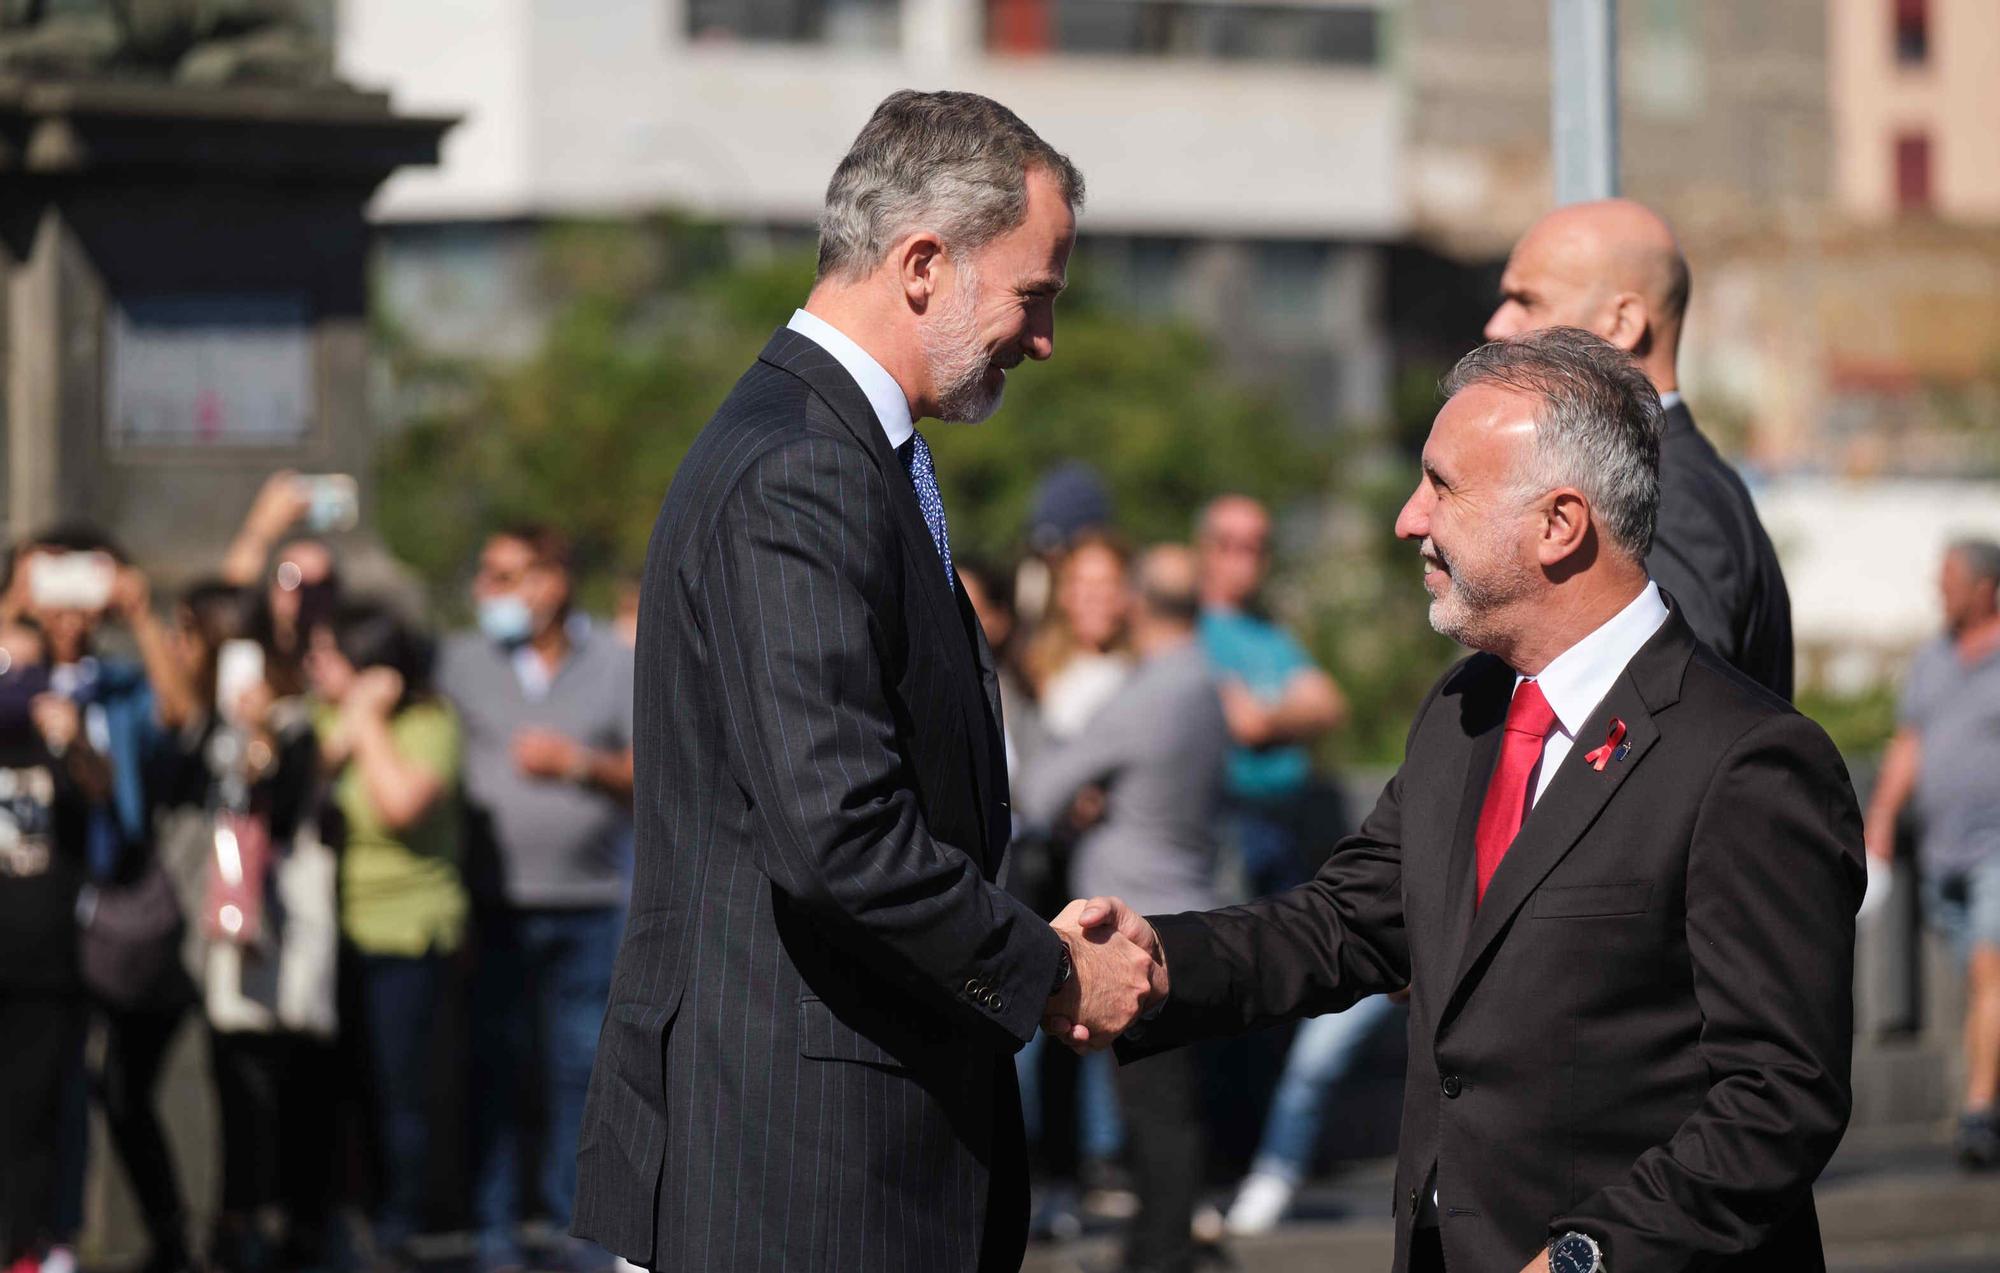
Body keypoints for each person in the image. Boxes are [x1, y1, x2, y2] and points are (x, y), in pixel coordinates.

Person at [1057, 328, 1864, 1273]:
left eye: (1441, 485)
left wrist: (1583, 1258)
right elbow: (1345, 923)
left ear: (1560, 524)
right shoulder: (1463, 707)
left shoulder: (1747, 759)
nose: (1408, 518)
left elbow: (1778, 1097)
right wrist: (1155, 961)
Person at [571, 89, 1160, 1273]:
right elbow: (836, 833)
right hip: (804, 1164)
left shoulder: (835, 450)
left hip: (822, 1145)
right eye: (1032, 296)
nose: (1043, 340)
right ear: (925, 263)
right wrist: (1045, 968)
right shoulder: (804, 467)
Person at [1484, 199, 1794, 700]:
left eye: (1529, 302)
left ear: (1623, 322)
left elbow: (1668, 714)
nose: (1498, 326)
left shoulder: (1669, 495)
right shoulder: (1666, 476)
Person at [1020, 545, 1229, 1273]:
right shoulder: (1204, 682)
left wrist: (1084, 795)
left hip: (1139, 922)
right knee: (1168, 1107)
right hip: (1190, 898)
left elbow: (1043, 790)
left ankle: (1159, 1257)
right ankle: (1154, 1248)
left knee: (1156, 1112)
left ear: (1139, 605)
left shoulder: (1151, 692)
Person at [437, 527, 635, 1273]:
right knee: (494, 1070)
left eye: (504, 574)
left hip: (589, 904)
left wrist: (578, 766)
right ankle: (495, 1233)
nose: (487, 589)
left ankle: (573, 1231)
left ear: (551, 583)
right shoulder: (460, 662)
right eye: (484, 574)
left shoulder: (616, 662)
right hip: (492, 908)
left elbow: (657, 771)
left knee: (581, 1075)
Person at [3, 529, 198, 1273]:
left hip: (112, 908)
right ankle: (38, 1234)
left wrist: (143, 613)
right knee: (31, 1088)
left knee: (117, 1089)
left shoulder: (113, 683)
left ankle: (155, 1233)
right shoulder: (12, 674)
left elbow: (177, 713)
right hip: (29, 915)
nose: (64, 603)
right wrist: (15, 605)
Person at [162, 581, 338, 1273]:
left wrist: (265, 736)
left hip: (285, 928)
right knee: (234, 1077)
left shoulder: (296, 725)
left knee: (295, 1082)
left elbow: (291, 804)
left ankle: (296, 1226)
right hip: (226, 931)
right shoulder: (210, 726)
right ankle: (237, 1224)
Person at [306, 601, 465, 1269]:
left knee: (398, 1093)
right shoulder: (318, 722)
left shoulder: (430, 726)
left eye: (329, 654)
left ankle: (401, 1229)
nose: (315, 666)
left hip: (406, 935)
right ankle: (342, 1222)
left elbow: (400, 805)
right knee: (337, 1092)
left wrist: (367, 721)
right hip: (327, 933)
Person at [1863, 538, 2000, 1169]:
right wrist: (1883, 817)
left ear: (1985, 588)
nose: (1937, 591)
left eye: (1948, 581)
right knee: (1980, 982)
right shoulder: (1932, 660)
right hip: (1943, 854)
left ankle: (1977, 1111)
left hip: (1994, 848)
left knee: (1987, 973)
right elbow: (1910, 742)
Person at [0, 617, 93, 1273]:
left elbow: (107, 800)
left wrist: (73, 741)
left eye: (31, 671)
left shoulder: (58, 747)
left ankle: (25, 1247)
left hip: (42, 964)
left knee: (30, 1118)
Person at [1195, 495, 1346, 896]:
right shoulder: (1193, 631)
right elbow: (1248, 725)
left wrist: (1271, 717)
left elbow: (1330, 705)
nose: (1246, 558)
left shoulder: (1270, 632)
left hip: (1289, 824)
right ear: (1206, 549)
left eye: (1258, 546)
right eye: (1231, 544)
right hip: (1232, 826)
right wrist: (1290, 713)